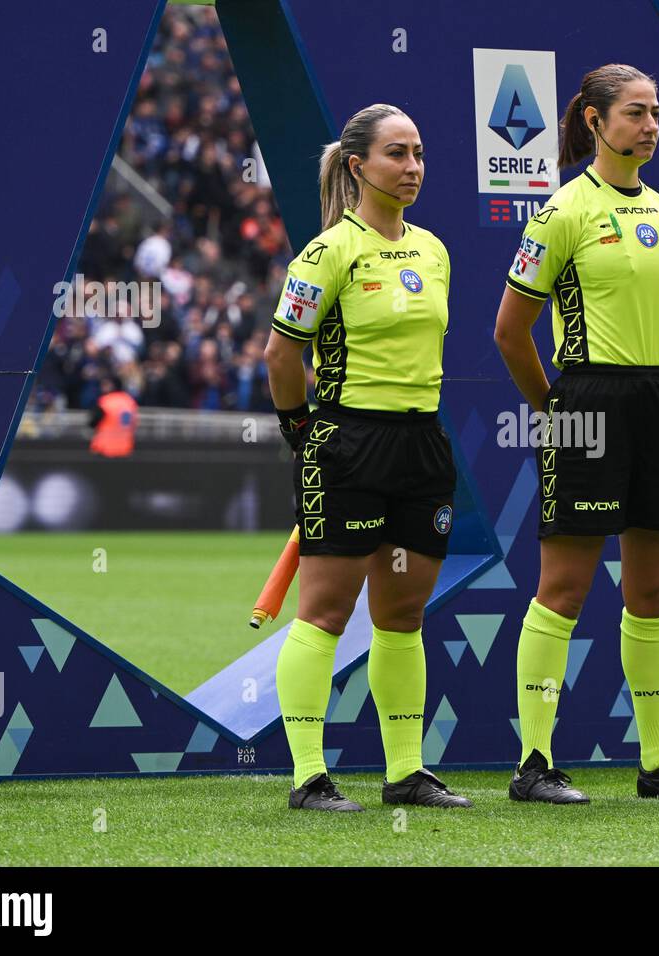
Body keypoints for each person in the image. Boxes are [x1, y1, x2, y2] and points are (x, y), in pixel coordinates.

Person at [495, 63, 659, 803]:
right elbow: (509, 331)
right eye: (635, 112)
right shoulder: (562, 210)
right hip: (589, 398)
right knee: (563, 586)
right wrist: (557, 408)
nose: (651, 124)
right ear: (595, 121)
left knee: (656, 591)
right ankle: (534, 763)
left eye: (656, 112)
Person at [264, 104, 472, 812]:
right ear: (358, 167)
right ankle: (308, 775)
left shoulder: (437, 250)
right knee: (324, 611)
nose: (412, 167)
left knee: (404, 614)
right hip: (347, 442)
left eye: (417, 153)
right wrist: (302, 429)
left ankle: (405, 772)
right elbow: (280, 354)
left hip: (421, 444)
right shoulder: (326, 253)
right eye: (396, 155)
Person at [88, 376, 139, 458]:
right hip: (126, 449)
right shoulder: (129, 401)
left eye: (105, 385)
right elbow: (134, 423)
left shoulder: (105, 401)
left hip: (105, 449)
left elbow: (92, 422)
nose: (102, 387)